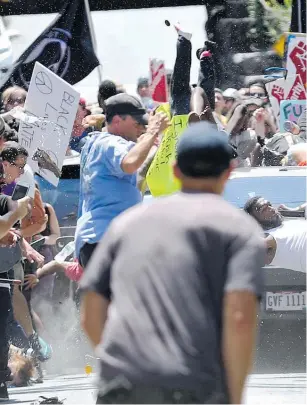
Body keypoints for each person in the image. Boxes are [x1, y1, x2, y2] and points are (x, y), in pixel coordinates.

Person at [81, 122, 265, 405]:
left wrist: (119, 366)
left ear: (176, 170)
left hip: (122, 385)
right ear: (229, 172)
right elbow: (240, 317)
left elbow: (91, 310)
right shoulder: (239, 229)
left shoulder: (126, 224)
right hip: (194, 385)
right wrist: (235, 396)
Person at [75, 93, 169, 269]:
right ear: (117, 121)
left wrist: (150, 143)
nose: (140, 128)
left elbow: (136, 168)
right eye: (136, 124)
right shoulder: (110, 143)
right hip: (106, 239)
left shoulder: (96, 143)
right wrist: (152, 131)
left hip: (98, 239)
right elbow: (130, 163)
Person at [244, 196, 307, 273]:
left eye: (270, 205)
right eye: (264, 209)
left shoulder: (288, 223)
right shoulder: (268, 237)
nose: (271, 209)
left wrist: (295, 209)